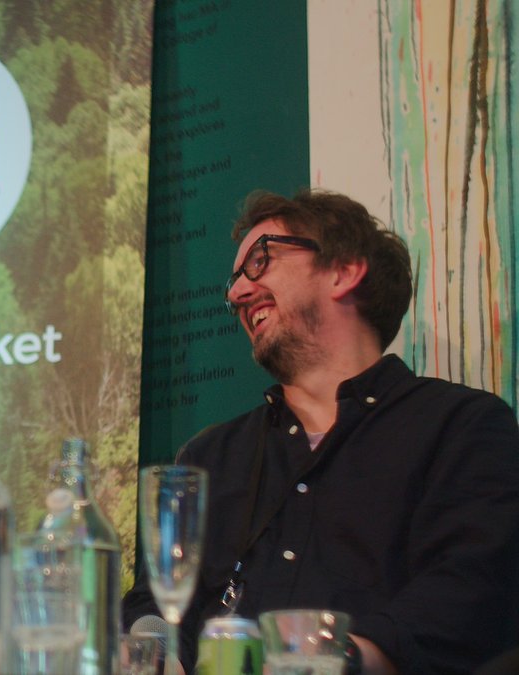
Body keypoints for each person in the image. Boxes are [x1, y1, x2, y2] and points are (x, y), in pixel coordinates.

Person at [122, 189, 519, 674]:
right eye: (233, 279)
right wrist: (150, 651)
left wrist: (329, 660)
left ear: (343, 270)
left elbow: (472, 593)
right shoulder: (209, 456)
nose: (235, 293)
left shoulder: (462, 426)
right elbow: (153, 606)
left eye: (260, 261)